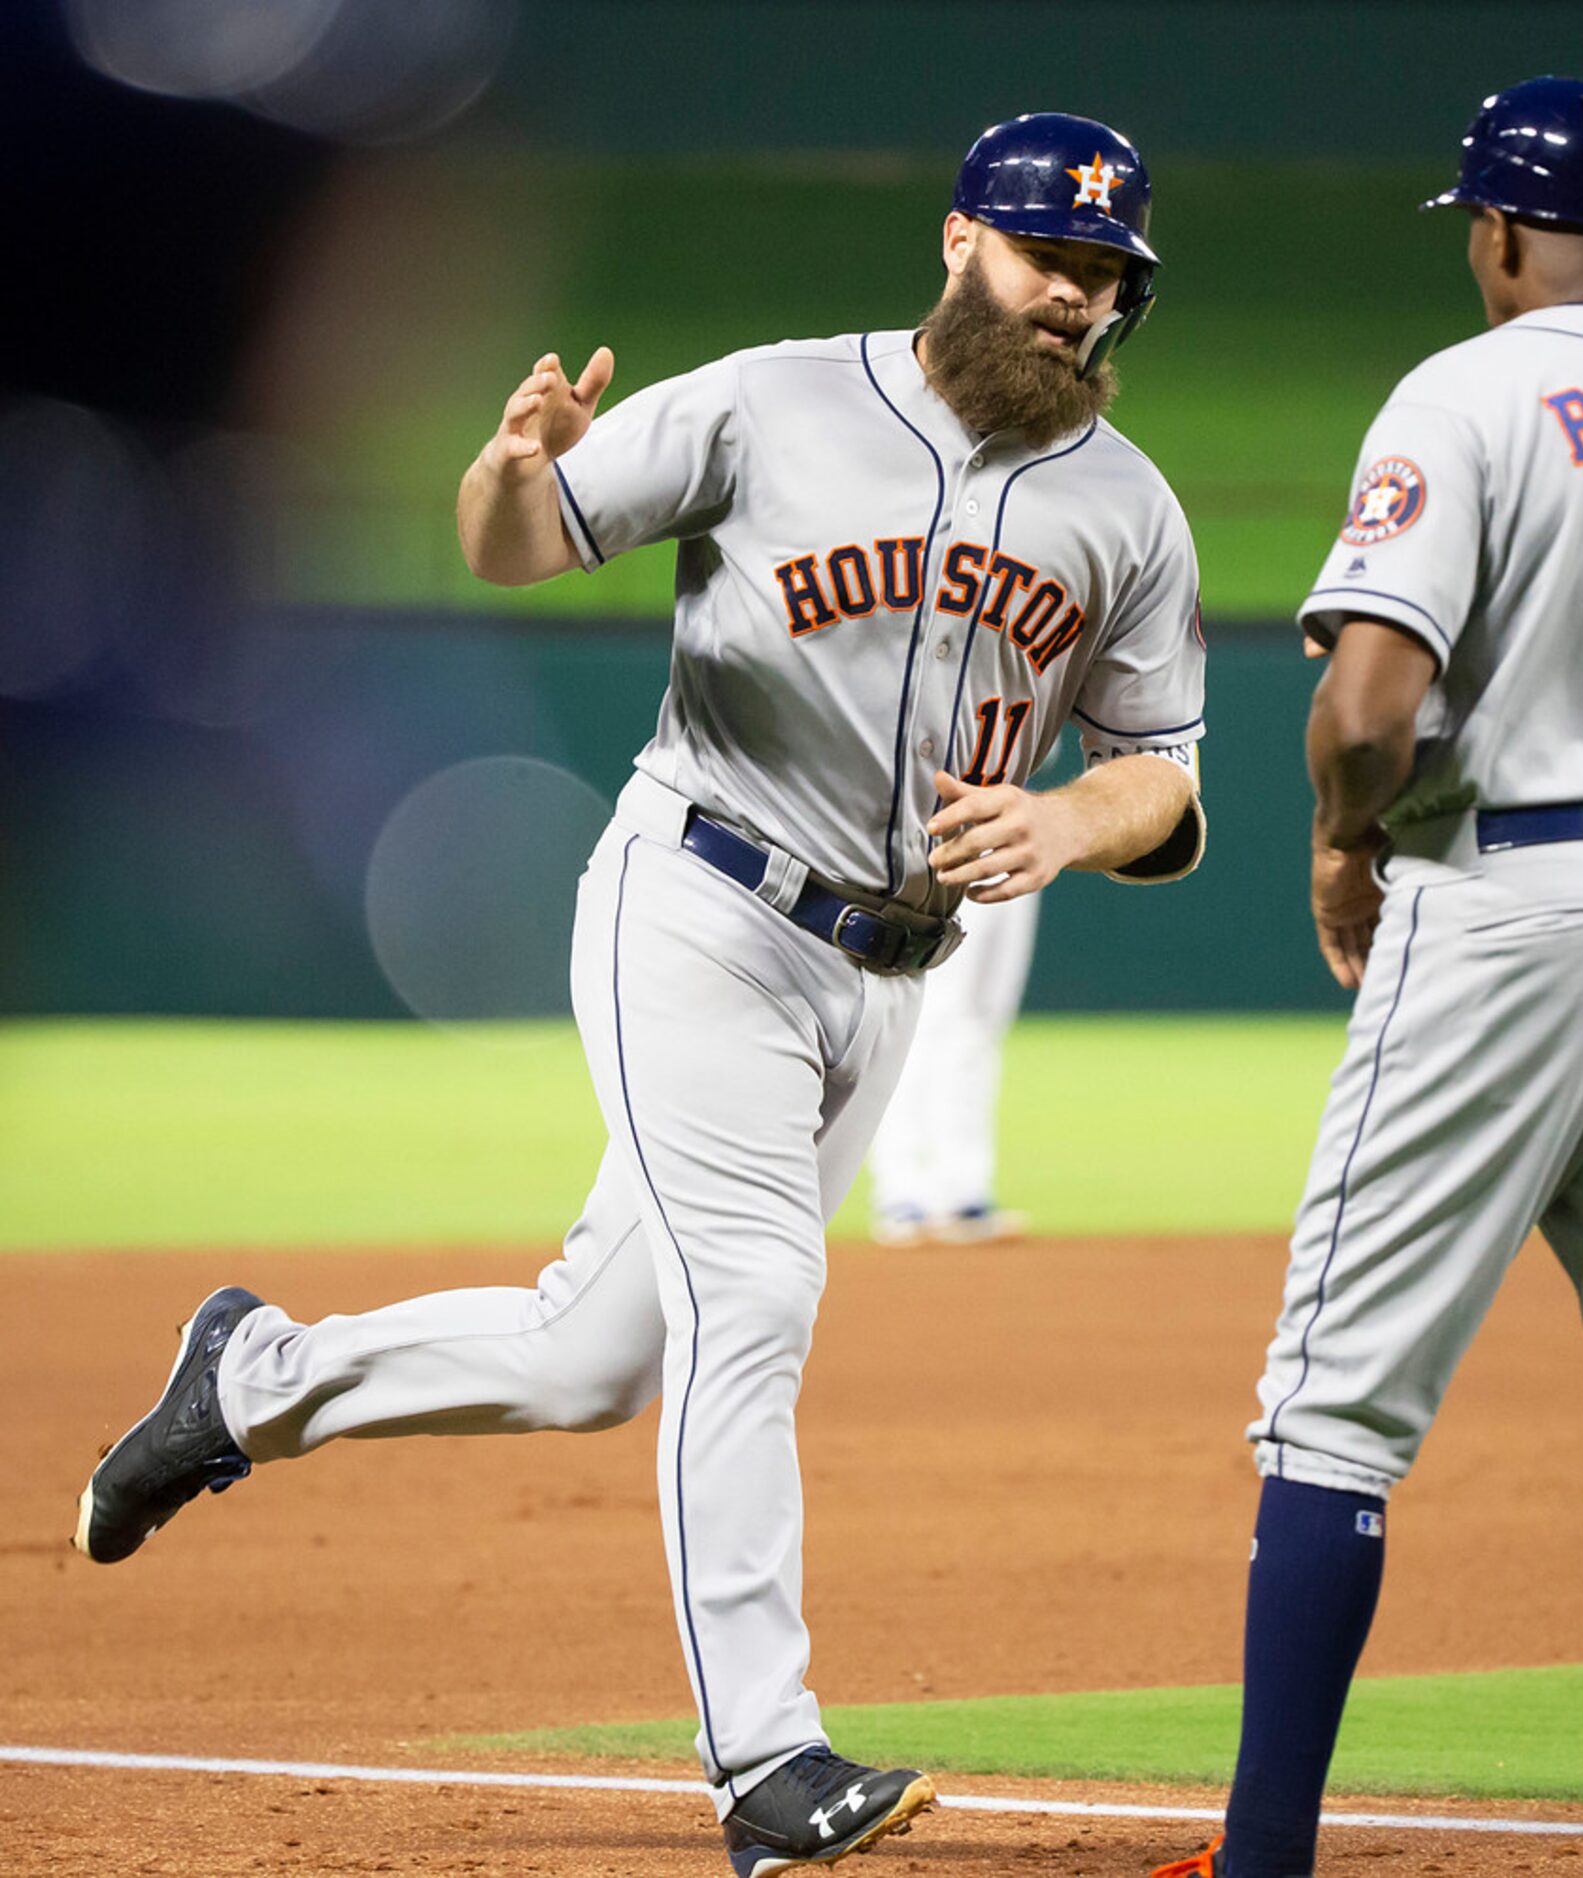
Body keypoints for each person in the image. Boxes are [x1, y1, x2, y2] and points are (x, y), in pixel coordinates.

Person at [75, 111, 1207, 1876]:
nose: (1070, 297)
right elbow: (511, 545)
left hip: (883, 979)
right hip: (699, 906)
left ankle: (253, 1379)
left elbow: (1160, 773)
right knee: (749, 1294)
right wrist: (517, 464)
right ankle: (766, 1757)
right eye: (1043, 257)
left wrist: (1064, 816)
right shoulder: (767, 402)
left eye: (1102, 275)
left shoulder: (1126, 508)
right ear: (954, 241)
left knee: (589, 1357)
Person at [1152, 78, 1583, 1878]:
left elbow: (1367, 700)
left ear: (1502, 232)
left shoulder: (1467, 386)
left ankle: (1263, 1852)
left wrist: (1337, 838)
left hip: (1507, 895)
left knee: (1334, 1402)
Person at [866, 889, 1040, 1245]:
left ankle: (963, 1192)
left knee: (982, 1023)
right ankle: (903, 1194)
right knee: (931, 1019)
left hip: (1018, 852)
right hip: (951, 854)